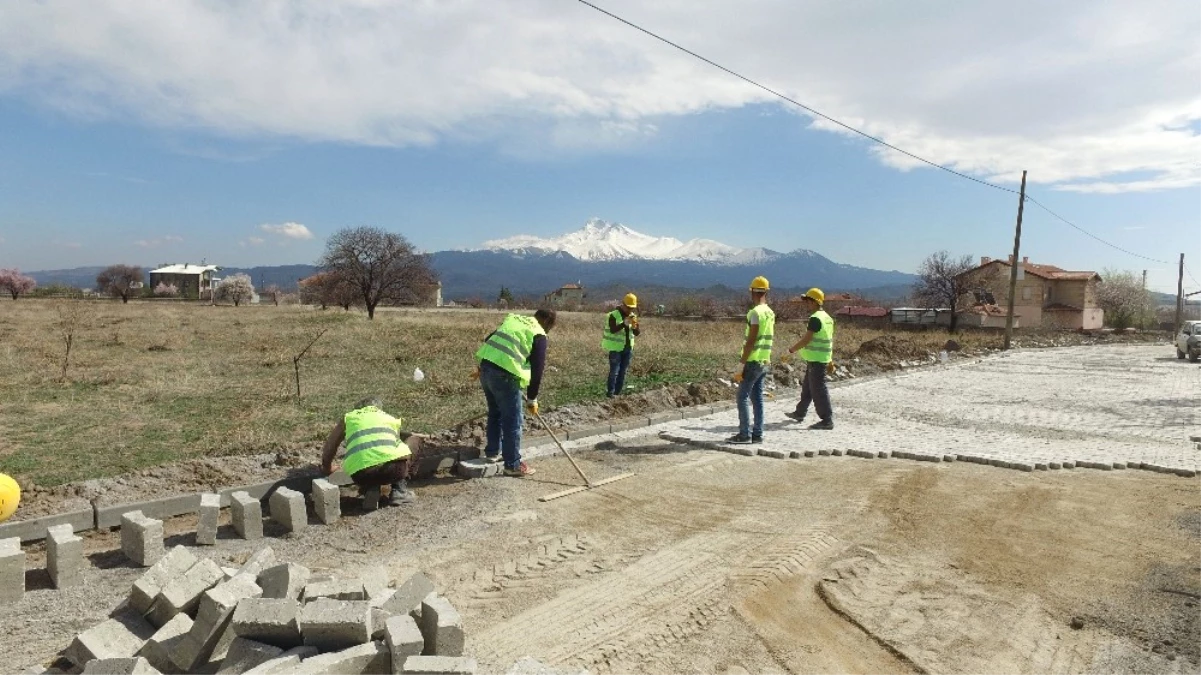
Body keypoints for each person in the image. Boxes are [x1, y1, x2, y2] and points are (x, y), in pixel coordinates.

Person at [476, 309, 557, 476]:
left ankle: (492, 452)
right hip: (505, 377)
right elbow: (537, 370)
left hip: (485, 369)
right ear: (548, 323)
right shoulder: (538, 334)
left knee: (495, 413)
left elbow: (489, 340)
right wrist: (532, 398)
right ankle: (512, 464)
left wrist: (485, 367)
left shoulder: (515, 321)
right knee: (513, 421)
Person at [320, 396, 417, 507]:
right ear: (379, 408)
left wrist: (327, 467)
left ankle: (370, 488)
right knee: (413, 441)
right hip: (393, 471)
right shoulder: (388, 418)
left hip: (362, 475)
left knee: (369, 462)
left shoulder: (349, 418)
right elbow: (396, 446)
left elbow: (330, 446)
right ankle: (400, 491)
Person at [728, 276, 775, 444]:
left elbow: (751, 341)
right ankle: (757, 433)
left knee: (742, 397)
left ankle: (744, 434)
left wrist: (741, 364)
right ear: (766, 291)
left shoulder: (755, 313)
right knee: (757, 398)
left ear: (752, 292)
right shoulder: (769, 312)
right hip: (764, 360)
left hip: (753, 361)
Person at [785, 288, 835, 430]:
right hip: (821, 358)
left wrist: (791, 350)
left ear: (814, 302)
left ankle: (827, 420)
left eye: (808, 301)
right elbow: (828, 340)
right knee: (808, 387)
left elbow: (806, 340)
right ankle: (800, 412)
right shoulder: (827, 318)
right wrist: (830, 360)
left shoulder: (815, 319)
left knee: (818, 389)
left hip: (816, 360)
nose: (806, 304)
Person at [602, 293, 641, 397]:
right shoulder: (613, 315)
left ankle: (617, 393)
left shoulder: (633, 316)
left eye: (632, 308)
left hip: (628, 348)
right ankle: (610, 393)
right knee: (614, 372)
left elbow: (637, 333)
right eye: (629, 308)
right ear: (623, 305)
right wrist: (624, 323)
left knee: (623, 372)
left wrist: (635, 327)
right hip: (616, 349)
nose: (630, 310)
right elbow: (613, 330)